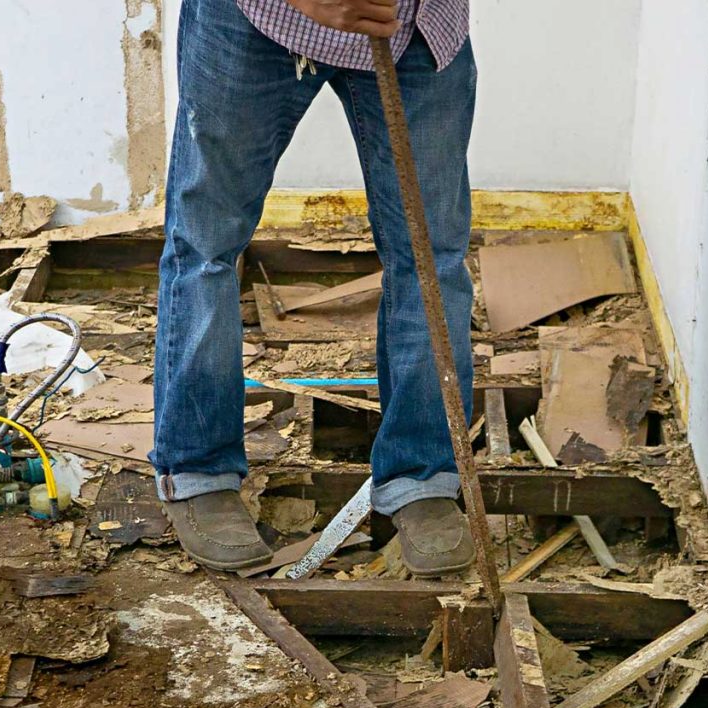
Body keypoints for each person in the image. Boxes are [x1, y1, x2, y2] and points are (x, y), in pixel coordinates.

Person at [150, 0, 476, 575]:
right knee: (205, 244)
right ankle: (199, 468)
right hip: (260, 17)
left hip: (420, 27)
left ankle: (422, 475)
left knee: (431, 256)